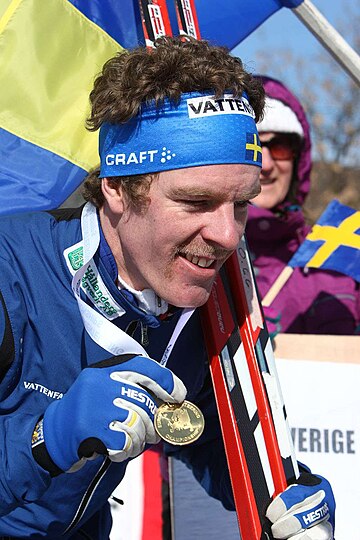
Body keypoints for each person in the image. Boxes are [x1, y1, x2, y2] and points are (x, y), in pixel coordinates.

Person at [0, 37, 335, 539]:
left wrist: (286, 492)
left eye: (241, 204)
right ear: (116, 187)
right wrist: (45, 440)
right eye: (196, 202)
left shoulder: (209, 299)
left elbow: (211, 443)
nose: (228, 235)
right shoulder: (13, 273)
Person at [247, 75, 360, 335]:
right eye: (252, 143)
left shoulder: (338, 258)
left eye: (280, 147)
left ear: (300, 159)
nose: (265, 165)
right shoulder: (200, 259)